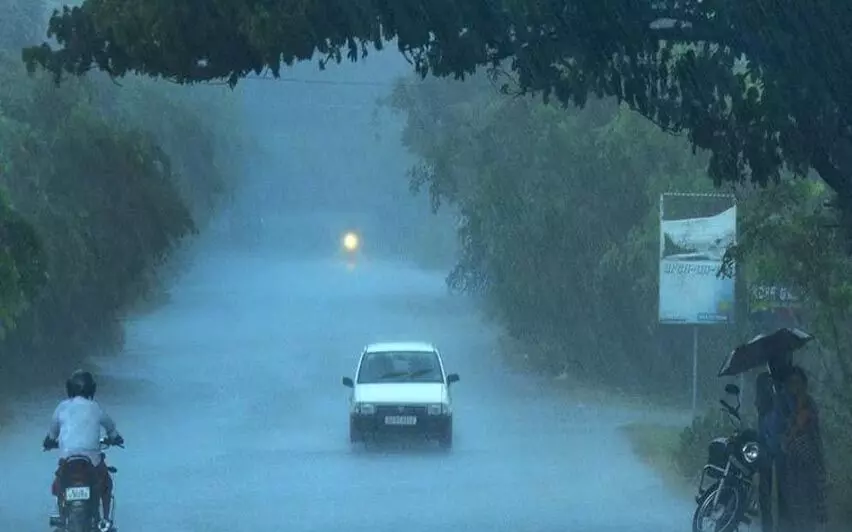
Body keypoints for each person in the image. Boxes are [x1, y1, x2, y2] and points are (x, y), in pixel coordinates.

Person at [42, 370, 124, 530]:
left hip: (68, 461)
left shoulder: (62, 408)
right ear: (92, 389)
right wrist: (115, 438)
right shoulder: (95, 408)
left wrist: (49, 442)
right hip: (91, 462)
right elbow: (111, 428)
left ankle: (61, 516)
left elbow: (51, 435)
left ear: (69, 388)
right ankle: (105, 521)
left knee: (58, 483)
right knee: (106, 483)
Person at [776, 365, 828, 532]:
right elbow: (785, 436)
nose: (795, 386)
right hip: (794, 465)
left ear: (804, 384)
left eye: (798, 382)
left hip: (811, 462)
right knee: (796, 508)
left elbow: (808, 430)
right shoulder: (786, 405)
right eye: (792, 383)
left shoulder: (809, 403)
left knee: (811, 508)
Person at [755, 371, 780, 532]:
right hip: (767, 452)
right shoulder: (766, 405)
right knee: (765, 494)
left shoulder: (775, 403)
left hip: (777, 452)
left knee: (769, 493)